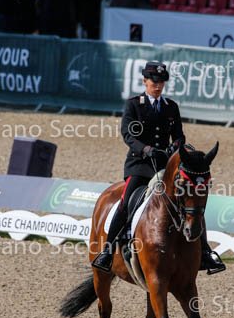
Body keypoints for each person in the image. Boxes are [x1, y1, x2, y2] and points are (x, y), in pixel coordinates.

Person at [92, 61, 225, 275]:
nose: (158, 85)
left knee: (191, 201)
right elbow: (127, 134)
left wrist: (176, 145)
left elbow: (179, 135)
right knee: (126, 202)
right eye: (154, 81)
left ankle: (206, 252)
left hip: (165, 167)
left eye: (161, 82)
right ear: (145, 81)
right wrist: (146, 149)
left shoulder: (171, 107)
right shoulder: (134, 105)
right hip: (139, 165)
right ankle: (108, 251)